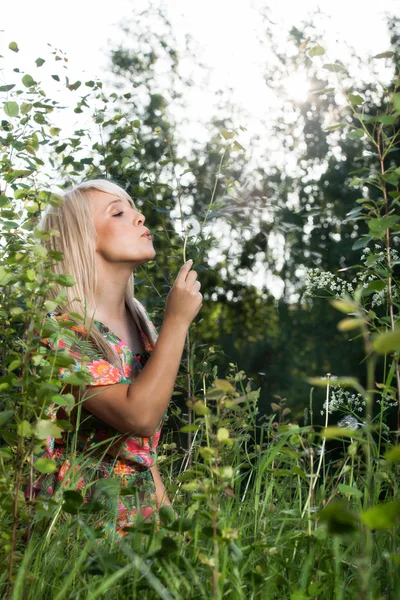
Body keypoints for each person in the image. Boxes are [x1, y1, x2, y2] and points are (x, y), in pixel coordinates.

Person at [33, 179, 202, 537]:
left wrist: (176, 534)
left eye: (134, 208)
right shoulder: (62, 330)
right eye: (119, 213)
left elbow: (140, 455)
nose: (140, 217)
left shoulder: (140, 326)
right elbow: (139, 417)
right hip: (83, 526)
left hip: (137, 521)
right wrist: (177, 320)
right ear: (82, 239)